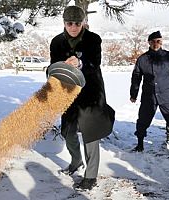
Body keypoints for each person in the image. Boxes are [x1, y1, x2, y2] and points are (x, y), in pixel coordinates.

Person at [48, 5, 115, 190]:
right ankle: (76, 161)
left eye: (77, 23)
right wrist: (55, 71)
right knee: (68, 132)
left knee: (90, 134)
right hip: (68, 94)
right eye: (70, 23)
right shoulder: (56, 42)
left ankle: (91, 175)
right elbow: (53, 66)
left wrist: (81, 62)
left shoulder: (93, 40)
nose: (74, 27)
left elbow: (95, 62)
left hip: (91, 93)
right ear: (64, 23)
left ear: (83, 23)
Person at [130, 31, 169, 158]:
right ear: (149, 43)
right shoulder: (142, 59)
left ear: (161, 42)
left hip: (167, 95)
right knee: (143, 120)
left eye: (158, 41)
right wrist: (133, 94)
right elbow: (136, 77)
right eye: (153, 41)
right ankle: (139, 144)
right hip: (149, 96)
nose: (156, 44)